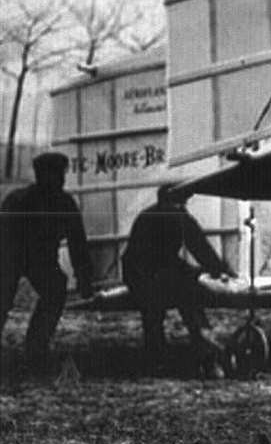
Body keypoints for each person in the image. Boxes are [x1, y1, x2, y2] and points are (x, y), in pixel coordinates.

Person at [121, 181, 235, 364]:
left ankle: (156, 352)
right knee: (186, 293)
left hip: (139, 273)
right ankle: (202, 343)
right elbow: (200, 248)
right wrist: (220, 270)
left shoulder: (147, 215)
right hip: (149, 273)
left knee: (154, 312)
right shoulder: (178, 216)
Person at [1, 152, 94, 367]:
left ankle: (36, 346)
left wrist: (84, 277)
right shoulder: (17, 201)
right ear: (40, 175)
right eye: (54, 174)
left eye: (61, 174)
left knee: (56, 287)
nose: (59, 179)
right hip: (10, 256)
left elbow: (77, 241)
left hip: (41, 260)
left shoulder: (65, 203)